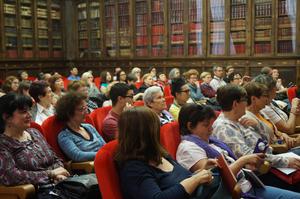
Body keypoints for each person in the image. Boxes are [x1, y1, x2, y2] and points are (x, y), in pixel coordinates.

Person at [176, 103, 300, 199]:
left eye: (211, 123)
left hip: (247, 183)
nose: (211, 128)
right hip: (234, 193)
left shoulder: (210, 140)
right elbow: (214, 180)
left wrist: (247, 165)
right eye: (205, 125)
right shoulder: (188, 148)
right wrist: (243, 161)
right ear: (190, 126)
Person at [116, 106, 222, 199]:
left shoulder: (159, 153)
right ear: (148, 134)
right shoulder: (133, 168)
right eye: (157, 128)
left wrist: (201, 172)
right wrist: (195, 180)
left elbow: (183, 180)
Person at [212, 84, 300, 191]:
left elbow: (264, 143)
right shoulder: (224, 128)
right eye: (245, 100)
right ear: (235, 104)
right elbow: (250, 157)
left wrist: (257, 126)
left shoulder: (240, 119)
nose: (247, 103)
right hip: (259, 174)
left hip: (269, 161)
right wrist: (285, 161)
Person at [0, 93, 70, 196]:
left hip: (60, 185)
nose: (30, 115)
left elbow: (56, 159)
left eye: (29, 110)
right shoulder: (3, 143)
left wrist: (58, 173)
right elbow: (10, 175)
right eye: (23, 112)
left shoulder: (34, 132)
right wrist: (50, 174)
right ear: (7, 117)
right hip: (37, 192)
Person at [243, 81, 300, 151]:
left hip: (282, 146)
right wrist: (289, 144)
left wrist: (282, 134)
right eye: (265, 96)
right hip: (275, 153)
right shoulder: (247, 119)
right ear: (253, 99)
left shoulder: (260, 112)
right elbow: (259, 148)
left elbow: (275, 132)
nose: (267, 99)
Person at [56, 92, 106, 162]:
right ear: (69, 113)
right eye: (82, 109)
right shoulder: (64, 136)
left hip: (104, 161)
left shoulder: (89, 127)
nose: (87, 112)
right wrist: (103, 154)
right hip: (88, 169)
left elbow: (105, 146)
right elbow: (78, 155)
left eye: (86, 108)